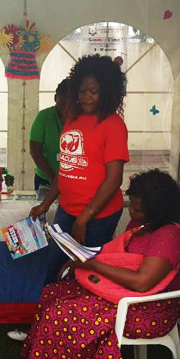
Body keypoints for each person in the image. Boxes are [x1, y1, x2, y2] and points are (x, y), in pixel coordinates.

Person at [7, 170, 180, 359]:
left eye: (137, 209)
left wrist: (91, 265)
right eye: (130, 205)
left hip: (147, 308)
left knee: (62, 313)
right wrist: (79, 259)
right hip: (128, 295)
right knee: (54, 294)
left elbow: (142, 282)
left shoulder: (168, 236)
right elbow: (121, 258)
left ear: (157, 210)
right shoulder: (144, 225)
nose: (131, 212)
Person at [31, 55, 129, 284]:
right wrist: (45, 204)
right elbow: (66, 169)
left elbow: (113, 181)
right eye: (82, 90)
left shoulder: (113, 125)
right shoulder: (73, 118)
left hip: (98, 216)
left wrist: (84, 219)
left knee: (87, 272)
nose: (86, 96)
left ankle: (81, 318)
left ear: (108, 91)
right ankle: (50, 316)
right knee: (56, 266)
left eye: (93, 91)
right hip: (68, 209)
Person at [29, 78, 69, 191]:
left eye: (70, 104)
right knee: (46, 207)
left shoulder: (80, 118)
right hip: (45, 178)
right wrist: (53, 177)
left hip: (72, 179)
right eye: (62, 103)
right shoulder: (43, 117)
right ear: (55, 98)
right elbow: (34, 151)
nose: (65, 108)